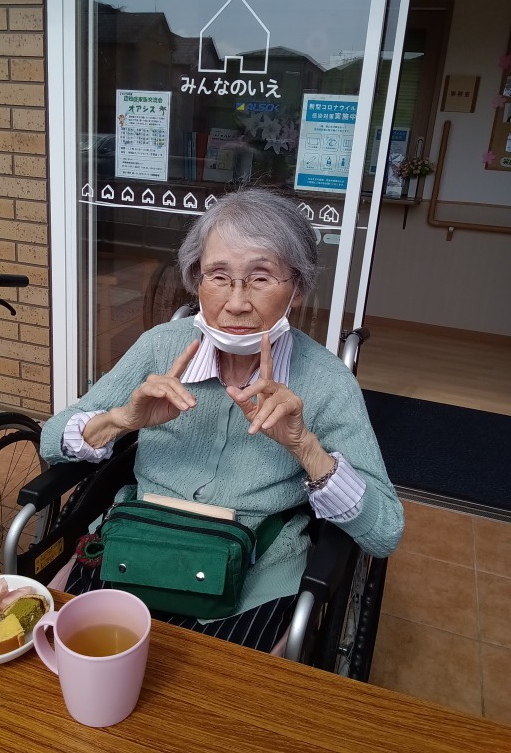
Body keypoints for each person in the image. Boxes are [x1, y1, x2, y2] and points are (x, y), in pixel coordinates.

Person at [40, 187, 404, 654]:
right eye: (218, 276)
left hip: (254, 575)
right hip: (133, 548)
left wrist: (306, 448)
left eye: (260, 278)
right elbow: (51, 439)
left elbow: (384, 531)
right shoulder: (160, 347)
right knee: (71, 665)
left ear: (297, 289)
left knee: (218, 695)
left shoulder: (327, 381)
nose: (236, 302)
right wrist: (121, 419)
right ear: (197, 282)